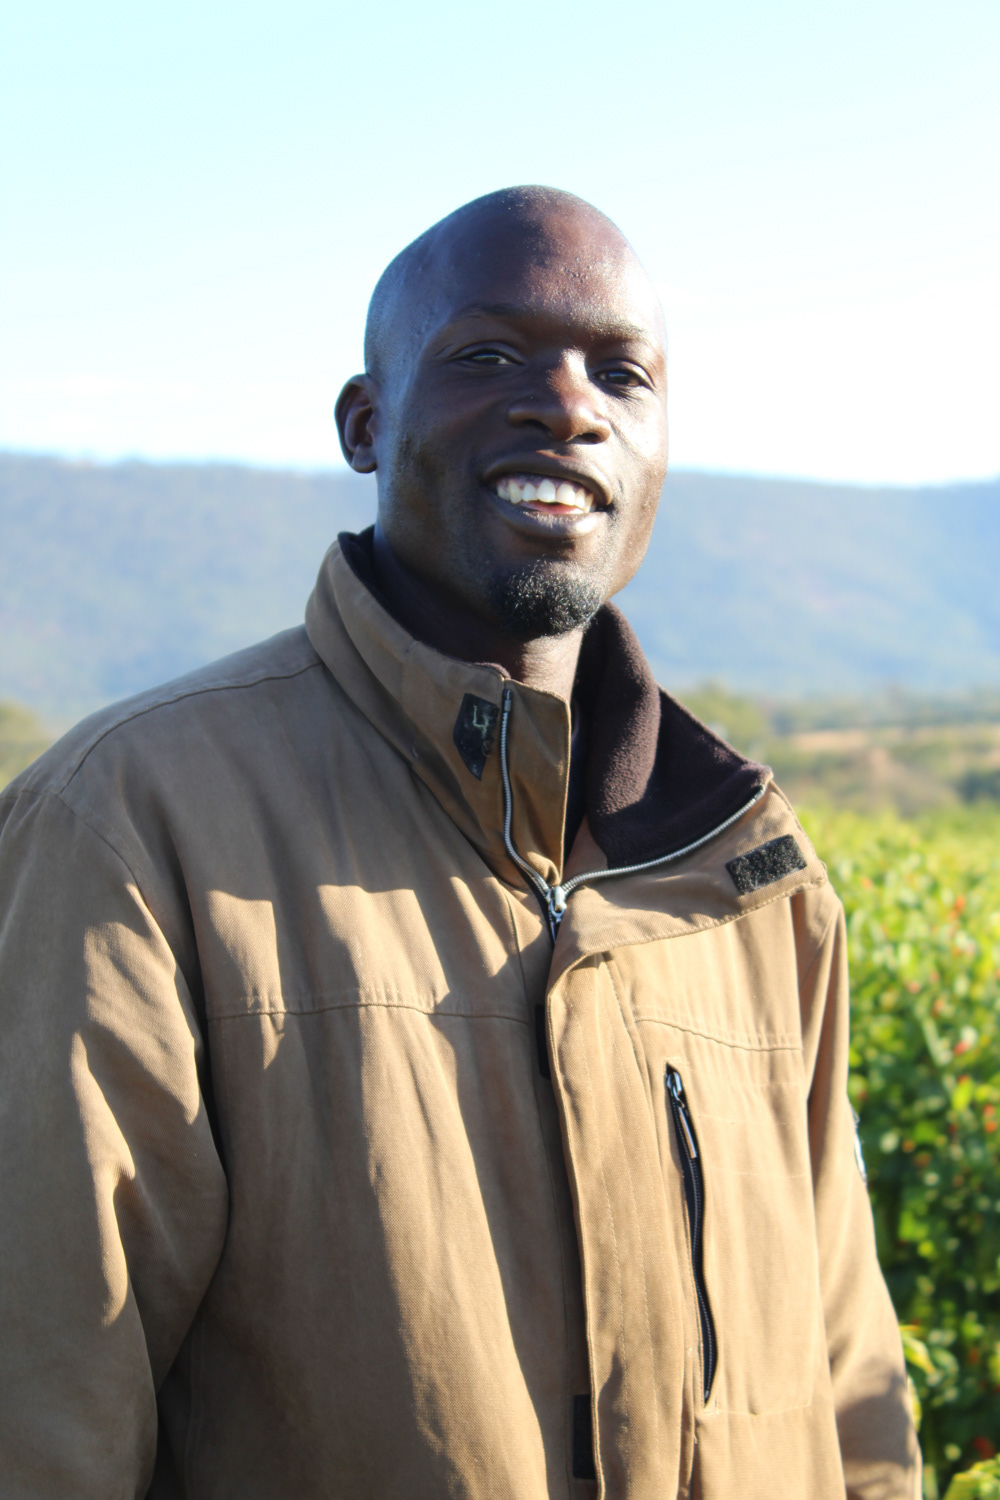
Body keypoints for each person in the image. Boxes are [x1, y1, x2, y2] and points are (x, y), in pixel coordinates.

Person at [0, 186, 919, 1499]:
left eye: (621, 372)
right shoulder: (133, 821)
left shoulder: (752, 875)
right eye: (489, 355)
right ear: (366, 424)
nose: (567, 404)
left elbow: (852, 1395)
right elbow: (42, 1415)